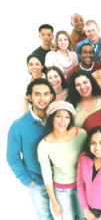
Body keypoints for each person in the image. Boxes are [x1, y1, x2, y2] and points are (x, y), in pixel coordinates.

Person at [7, 78, 56, 220]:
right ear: (29, 97)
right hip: (37, 182)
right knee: (44, 216)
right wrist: (28, 181)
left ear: (52, 96)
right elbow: (12, 157)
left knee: (68, 215)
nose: (42, 98)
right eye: (37, 94)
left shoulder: (59, 120)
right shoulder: (17, 126)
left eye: (46, 94)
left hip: (61, 180)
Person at [37, 101, 86, 220]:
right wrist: (54, 203)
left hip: (82, 186)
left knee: (83, 217)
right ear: (52, 118)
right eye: (58, 116)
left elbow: (90, 162)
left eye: (67, 117)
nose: (63, 121)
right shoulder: (43, 146)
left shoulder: (81, 134)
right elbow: (47, 176)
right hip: (61, 190)